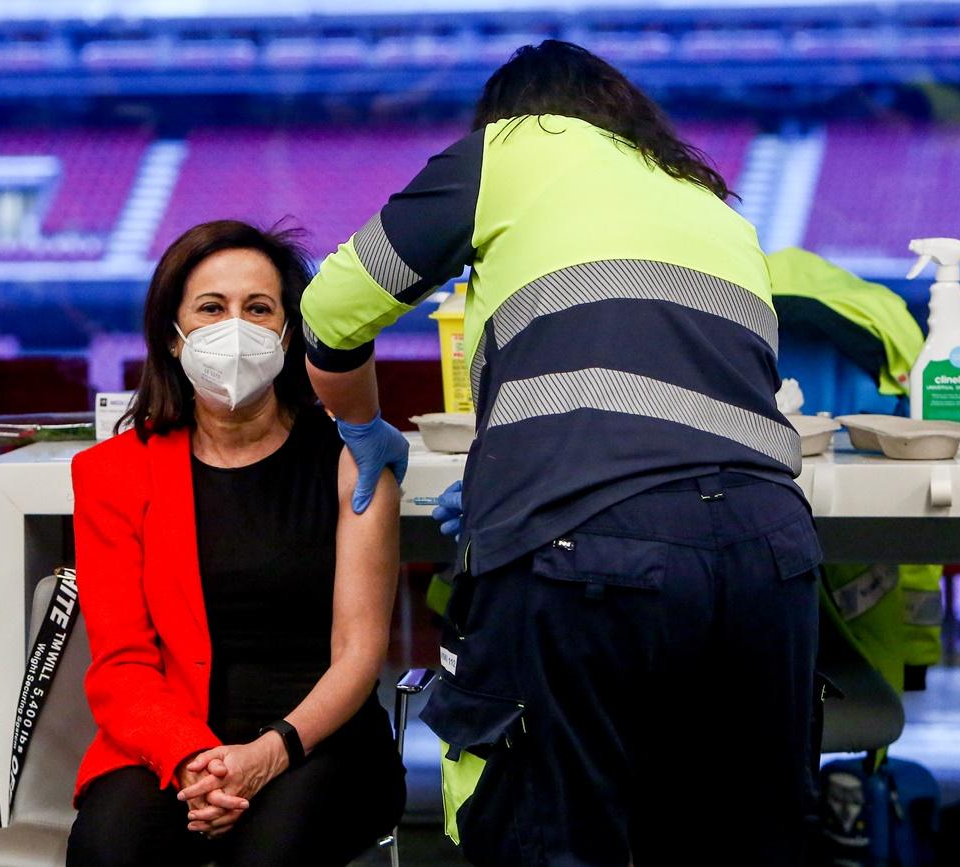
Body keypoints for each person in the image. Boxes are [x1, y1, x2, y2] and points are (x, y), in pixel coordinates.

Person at [300, 41, 823, 866]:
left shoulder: (510, 148)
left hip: (586, 554)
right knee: (739, 840)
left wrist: (363, 425)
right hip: (770, 558)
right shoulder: (716, 208)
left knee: (555, 839)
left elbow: (329, 311)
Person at [65, 220, 405, 867]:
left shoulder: (354, 460)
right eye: (212, 308)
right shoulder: (111, 473)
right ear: (174, 332)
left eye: (258, 308)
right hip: (174, 742)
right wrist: (197, 759)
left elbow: (359, 654)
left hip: (321, 741)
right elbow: (121, 665)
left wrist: (267, 753)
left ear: (288, 330)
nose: (235, 327)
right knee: (110, 850)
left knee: (267, 855)